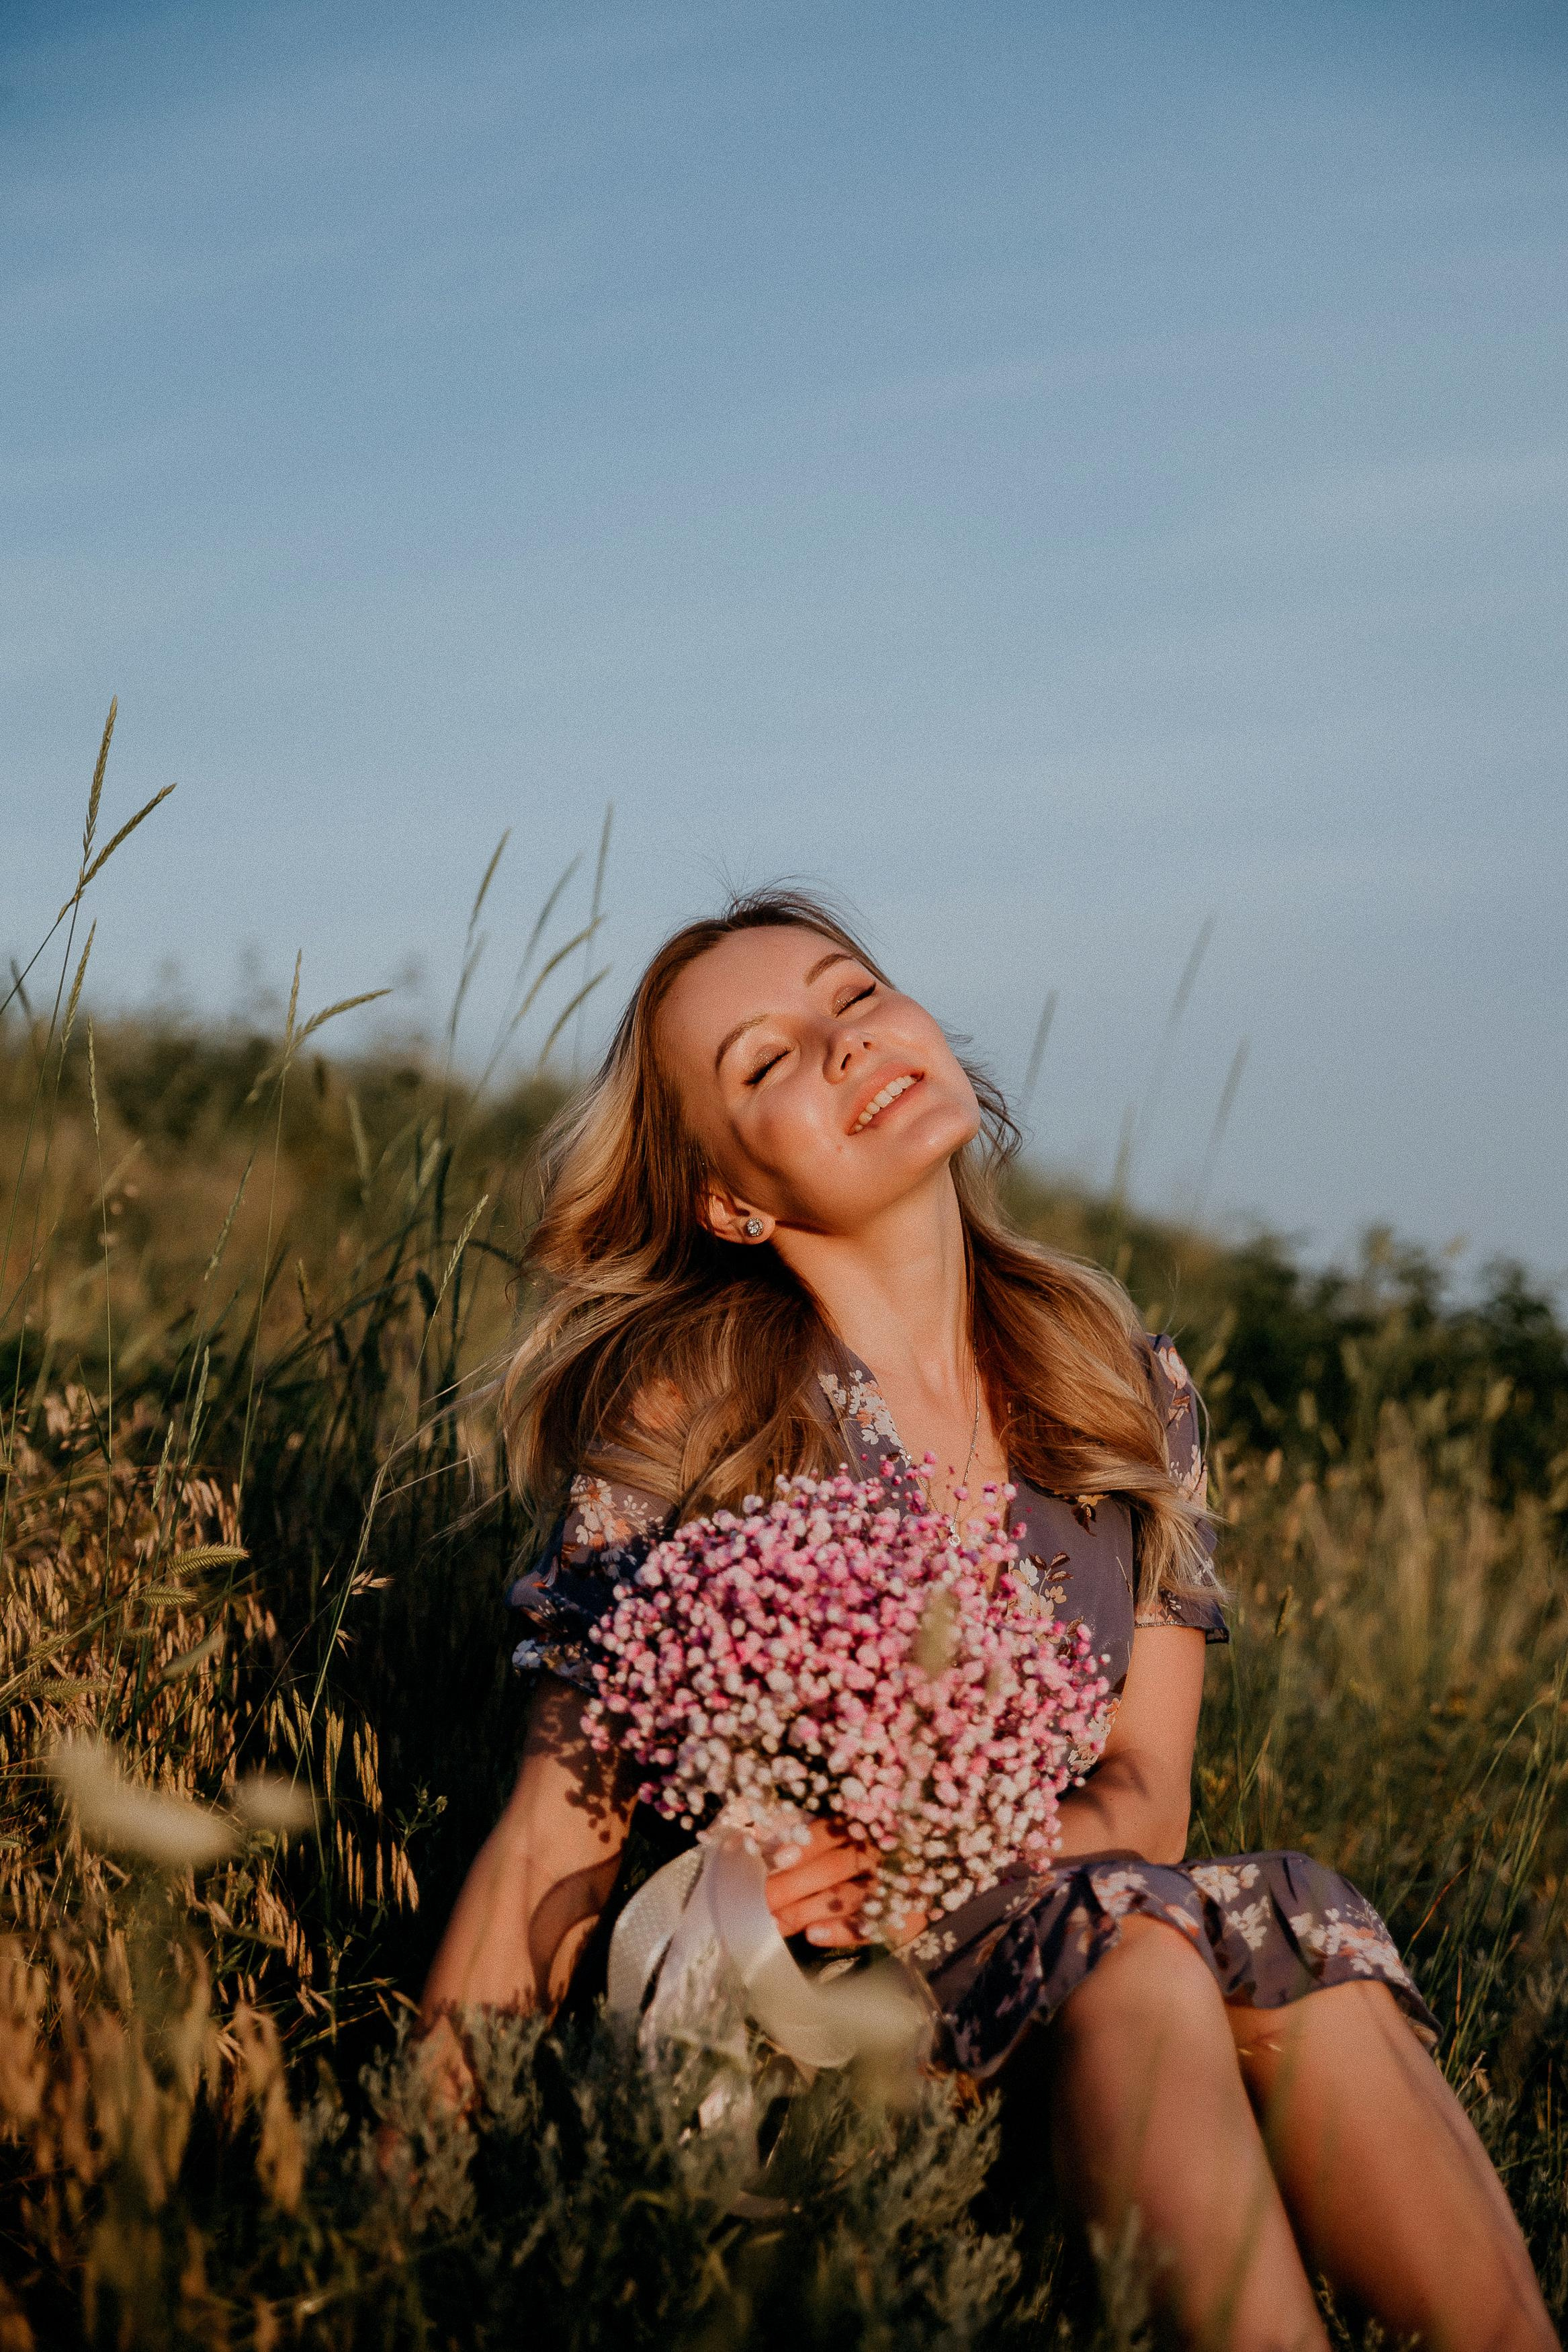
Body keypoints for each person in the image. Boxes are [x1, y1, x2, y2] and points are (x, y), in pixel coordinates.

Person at [420, 889, 1557, 2351]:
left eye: (855, 997)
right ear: (730, 1201)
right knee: (1142, 1938)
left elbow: (1144, 1797)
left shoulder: (1117, 1383)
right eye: (766, 1062)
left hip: (1078, 1952)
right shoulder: (697, 1410)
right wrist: (416, 2190)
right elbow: (549, 1830)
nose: (846, 1046)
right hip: (818, 2009)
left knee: (1291, 1924)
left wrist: (943, 1852)